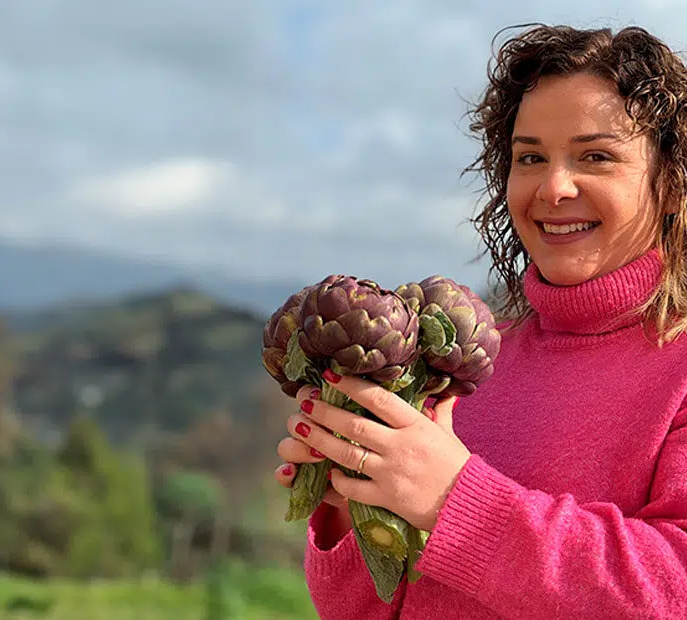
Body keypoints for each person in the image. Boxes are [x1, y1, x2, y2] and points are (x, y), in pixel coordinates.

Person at [273, 23, 687, 619]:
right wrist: (352, 495)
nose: (554, 186)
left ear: (672, 182)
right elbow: (365, 609)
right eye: (530, 157)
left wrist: (452, 500)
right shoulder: (467, 357)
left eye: (596, 156)